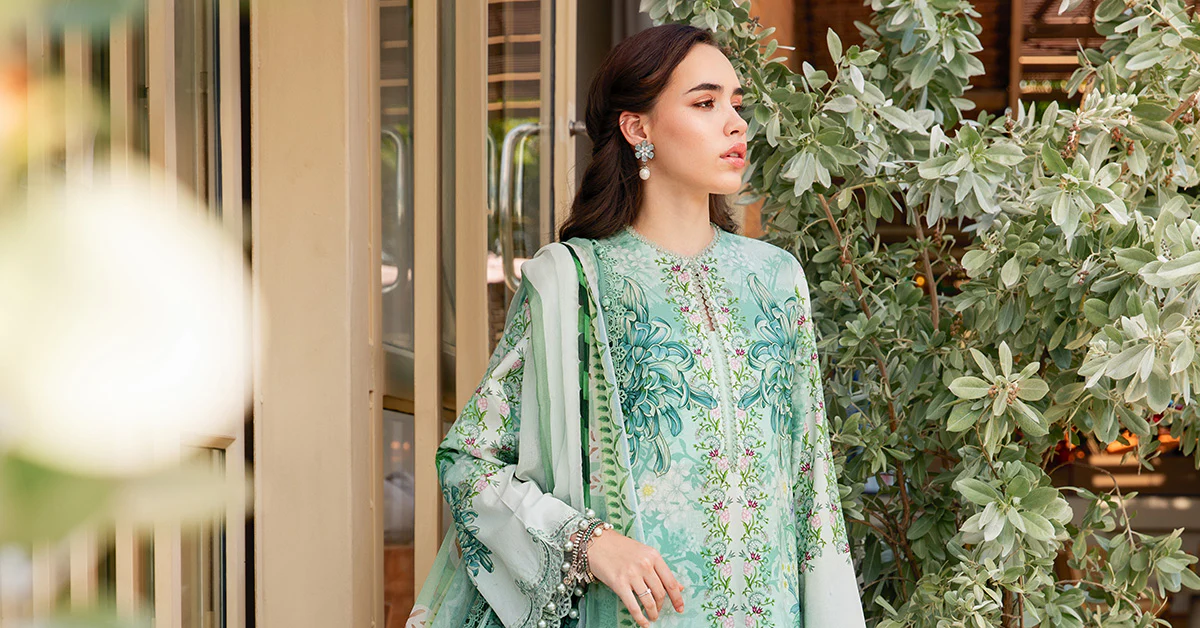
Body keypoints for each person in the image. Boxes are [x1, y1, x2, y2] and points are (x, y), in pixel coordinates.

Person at [409, 23, 866, 628]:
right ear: (637, 129)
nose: (735, 124)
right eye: (705, 103)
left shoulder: (776, 278)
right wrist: (589, 543)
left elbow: (812, 486)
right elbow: (470, 462)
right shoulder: (574, 283)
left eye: (736, 104)